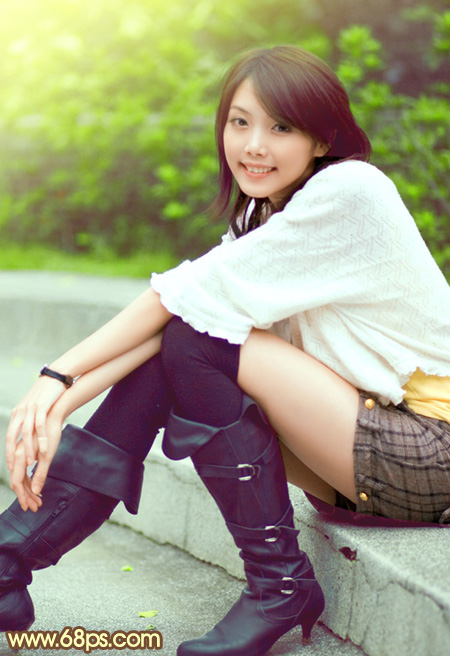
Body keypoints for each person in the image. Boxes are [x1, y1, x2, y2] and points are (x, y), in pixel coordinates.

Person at [2, 45, 450, 656]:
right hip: (366, 453)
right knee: (188, 339)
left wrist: (55, 381)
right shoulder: (264, 216)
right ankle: (8, 560)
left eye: (281, 127)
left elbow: (177, 306)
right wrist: (57, 400)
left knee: (199, 339)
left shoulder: (351, 191)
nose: (254, 146)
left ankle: (278, 587)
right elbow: (170, 324)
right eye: (240, 122)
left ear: (322, 139)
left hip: (431, 452)